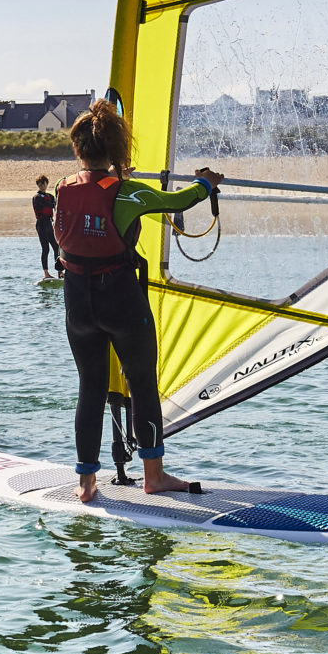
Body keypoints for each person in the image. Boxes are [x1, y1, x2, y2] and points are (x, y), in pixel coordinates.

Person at [53, 100, 219, 506]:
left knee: (90, 387)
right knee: (142, 383)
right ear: (117, 148)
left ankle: (86, 484)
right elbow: (179, 203)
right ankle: (154, 476)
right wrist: (206, 184)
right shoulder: (128, 193)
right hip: (121, 299)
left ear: (78, 148)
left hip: (77, 302)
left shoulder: (62, 188)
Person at [31, 174, 58, 277]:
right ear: (38, 185)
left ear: (47, 184)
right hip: (41, 224)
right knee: (45, 248)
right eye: (40, 184)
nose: (42, 186)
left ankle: (59, 272)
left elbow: (57, 204)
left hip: (49, 223)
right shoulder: (36, 197)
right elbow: (45, 205)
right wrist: (52, 204)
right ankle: (46, 273)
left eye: (44, 184)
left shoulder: (50, 196)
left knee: (56, 247)